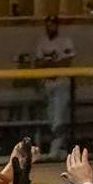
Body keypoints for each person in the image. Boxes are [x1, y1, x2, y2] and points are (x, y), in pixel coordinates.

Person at [35, 16, 77, 160]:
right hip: (48, 83)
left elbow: (67, 62)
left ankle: (55, 149)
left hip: (61, 83)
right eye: (48, 24)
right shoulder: (42, 41)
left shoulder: (65, 41)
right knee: (51, 119)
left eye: (53, 24)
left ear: (57, 26)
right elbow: (38, 63)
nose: (51, 27)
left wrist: (50, 66)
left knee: (59, 118)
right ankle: (60, 149)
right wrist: (52, 66)